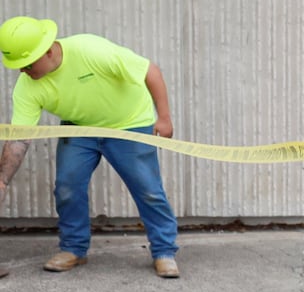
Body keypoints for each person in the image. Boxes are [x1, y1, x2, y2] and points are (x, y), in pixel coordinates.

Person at [0, 16, 181, 278]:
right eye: (18, 66)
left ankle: (164, 251)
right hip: (80, 128)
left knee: (148, 189)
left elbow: (150, 70)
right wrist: (2, 179)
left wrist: (163, 118)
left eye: (27, 64)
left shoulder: (90, 50)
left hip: (129, 123)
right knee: (67, 186)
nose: (22, 71)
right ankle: (74, 249)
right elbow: (20, 137)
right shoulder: (27, 87)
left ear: (49, 50)